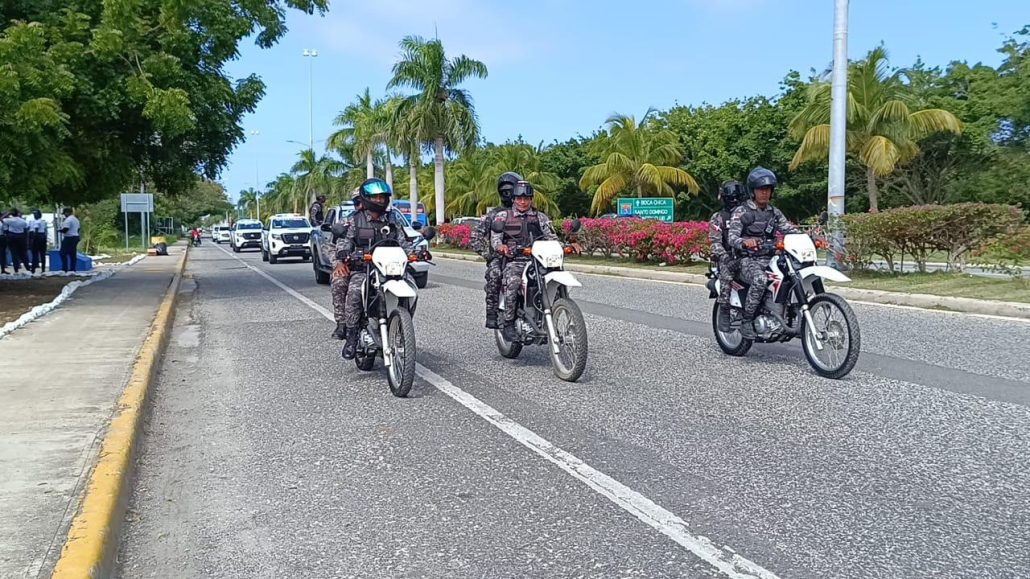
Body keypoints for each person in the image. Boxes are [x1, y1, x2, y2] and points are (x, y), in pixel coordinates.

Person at [340, 179, 412, 359]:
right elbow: (344, 241)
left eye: (382, 197)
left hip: (391, 268)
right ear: (365, 198)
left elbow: (403, 241)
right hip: (364, 267)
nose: (379, 200)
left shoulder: (393, 219)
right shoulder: (354, 220)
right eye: (375, 197)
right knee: (355, 291)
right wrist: (344, 254)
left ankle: (403, 325)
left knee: (411, 286)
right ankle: (352, 336)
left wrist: (415, 253)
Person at [728, 167, 799, 339]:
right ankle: (747, 320)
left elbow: (788, 229)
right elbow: (732, 237)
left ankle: (788, 317)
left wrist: (809, 237)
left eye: (768, 189)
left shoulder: (774, 212)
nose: (765, 193)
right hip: (746, 260)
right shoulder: (742, 211)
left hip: (771, 257)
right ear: (753, 191)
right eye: (761, 189)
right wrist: (745, 242)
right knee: (760, 279)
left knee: (793, 276)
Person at [490, 181, 559, 341]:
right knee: (513, 281)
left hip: (540, 259)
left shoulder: (540, 217)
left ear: (531, 199)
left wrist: (566, 245)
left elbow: (552, 237)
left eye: (526, 198)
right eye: (519, 198)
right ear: (513, 199)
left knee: (556, 277)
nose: (523, 202)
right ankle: (508, 323)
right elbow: (496, 239)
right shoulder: (503, 216)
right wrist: (501, 247)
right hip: (516, 260)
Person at [471, 171, 520, 329]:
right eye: (505, 190)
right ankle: (491, 313)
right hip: (501, 257)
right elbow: (475, 237)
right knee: (495, 274)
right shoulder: (493, 215)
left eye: (511, 189)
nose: (508, 193)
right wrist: (489, 254)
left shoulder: (528, 214)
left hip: (526, 254)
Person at [709, 181, 747, 332]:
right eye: (732, 198)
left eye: (737, 198)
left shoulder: (750, 214)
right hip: (729, 257)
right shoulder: (718, 218)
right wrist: (725, 258)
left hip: (751, 256)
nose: (735, 201)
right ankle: (724, 310)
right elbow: (715, 242)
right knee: (727, 275)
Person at [330, 189, 362, 339]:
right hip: (352, 265)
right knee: (339, 282)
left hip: (383, 264)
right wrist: (338, 263)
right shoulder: (346, 222)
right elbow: (331, 246)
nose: (361, 205)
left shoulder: (389, 219)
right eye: (357, 202)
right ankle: (343, 324)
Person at [2, 209, 30, 273]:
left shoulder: (10, 220)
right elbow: (27, 227)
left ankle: (16, 269)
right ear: (18, 214)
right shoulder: (23, 221)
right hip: (21, 237)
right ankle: (27, 268)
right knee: (23, 253)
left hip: (12, 237)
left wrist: (7, 214)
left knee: (14, 254)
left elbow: (1, 219)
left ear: (11, 214)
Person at [59, 207, 81, 272]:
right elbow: (78, 229)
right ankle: (72, 268)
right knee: (72, 253)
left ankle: (64, 268)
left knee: (63, 253)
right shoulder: (76, 219)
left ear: (68, 213)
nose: (64, 215)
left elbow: (66, 229)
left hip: (69, 237)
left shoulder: (68, 220)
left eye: (65, 213)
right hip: (76, 237)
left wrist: (60, 231)